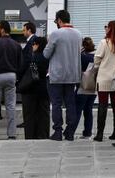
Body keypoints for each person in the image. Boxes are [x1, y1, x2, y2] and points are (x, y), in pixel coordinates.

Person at [43, 10, 82, 141]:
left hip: (57, 75)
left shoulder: (56, 34)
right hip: (72, 75)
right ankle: (70, 132)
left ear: (59, 20)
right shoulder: (78, 34)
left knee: (56, 104)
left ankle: (58, 131)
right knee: (71, 104)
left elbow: (46, 54)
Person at [22, 36, 50, 139]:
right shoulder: (47, 57)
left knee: (30, 114)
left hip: (31, 89)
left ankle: (31, 135)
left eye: (33, 44)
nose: (32, 46)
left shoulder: (33, 57)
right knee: (43, 114)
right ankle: (43, 134)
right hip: (44, 89)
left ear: (37, 45)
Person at [75, 37, 97, 139]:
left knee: (77, 110)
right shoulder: (96, 57)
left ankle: (70, 131)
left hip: (82, 87)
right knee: (88, 110)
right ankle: (87, 133)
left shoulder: (82, 57)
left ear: (83, 46)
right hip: (93, 88)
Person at [17, 22, 38, 129]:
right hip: (30, 75)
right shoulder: (33, 40)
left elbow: (27, 60)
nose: (23, 32)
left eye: (24, 30)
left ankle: (28, 121)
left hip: (28, 76)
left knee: (28, 101)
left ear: (29, 30)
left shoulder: (32, 41)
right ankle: (28, 120)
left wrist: (19, 73)